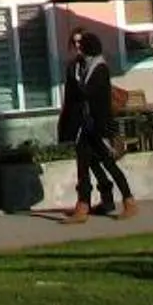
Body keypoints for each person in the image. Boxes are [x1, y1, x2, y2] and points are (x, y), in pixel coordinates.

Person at [56, 31, 136, 221]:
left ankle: (129, 200)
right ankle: (82, 206)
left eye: (81, 44)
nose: (78, 48)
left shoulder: (99, 68)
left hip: (98, 126)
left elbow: (90, 94)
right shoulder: (81, 67)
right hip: (86, 125)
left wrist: (77, 85)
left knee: (108, 163)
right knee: (82, 165)